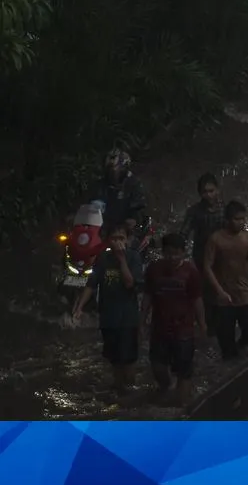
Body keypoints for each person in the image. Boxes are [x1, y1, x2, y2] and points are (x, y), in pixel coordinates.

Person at [72, 223, 145, 394]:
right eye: (114, 238)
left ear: (128, 240)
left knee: (128, 359)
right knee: (114, 359)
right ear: (107, 241)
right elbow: (92, 284)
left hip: (127, 318)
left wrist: (121, 259)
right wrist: (80, 307)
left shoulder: (133, 257)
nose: (117, 242)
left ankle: (131, 390)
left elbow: (130, 283)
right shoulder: (103, 258)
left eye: (121, 238)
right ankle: (118, 389)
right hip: (108, 317)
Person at [204, 200, 248, 360]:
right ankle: (229, 362)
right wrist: (219, 291)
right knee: (225, 340)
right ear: (228, 220)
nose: (241, 222)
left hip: (244, 293)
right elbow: (207, 267)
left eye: (243, 219)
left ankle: (242, 350)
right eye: (237, 219)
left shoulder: (246, 239)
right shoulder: (215, 239)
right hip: (223, 297)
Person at [142, 233, 205, 406]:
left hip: (183, 330)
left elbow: (197, 300)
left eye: (176, 253)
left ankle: (182, 406)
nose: (172, 257)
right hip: (159, 327)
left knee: (184, 371)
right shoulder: (153, 269)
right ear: (163, 252)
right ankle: (165, 388)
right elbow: (147, 296)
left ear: (183, 252)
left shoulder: (191, 272)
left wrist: (202, 324)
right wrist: (142, 321)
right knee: (157, 366)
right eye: (168, 253)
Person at [177, 173, 225, 335]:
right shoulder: (194, 212)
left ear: (217, 190)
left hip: (222, 255)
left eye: (211, 191)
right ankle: (207, 325)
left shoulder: (225, 209)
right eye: (205, 192)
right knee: (205, 291)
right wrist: (177, 250)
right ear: (200, 193)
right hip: (202, 256)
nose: (209, 195)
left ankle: (220, 323)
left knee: (223, 286)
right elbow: (184, 233)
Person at [91, 148, 147, 235]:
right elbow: (90, 203)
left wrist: (134, 219)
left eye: (114, 169)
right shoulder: (100, 185)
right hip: (101, 227)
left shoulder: (133, 184)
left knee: (127, 240)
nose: (111, 173)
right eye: (108, 169)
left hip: (124, 229)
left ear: (123, 168)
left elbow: (138, 207)